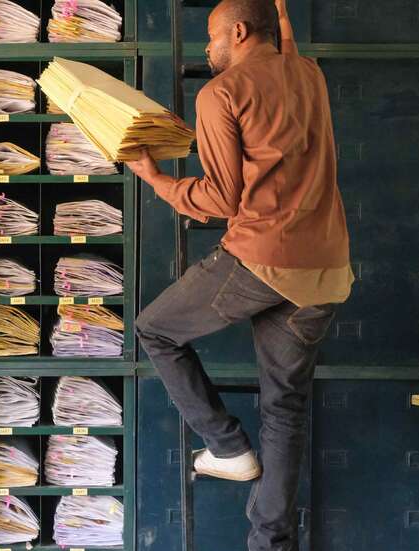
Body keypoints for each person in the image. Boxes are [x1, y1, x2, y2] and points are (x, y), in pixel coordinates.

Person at [126, 0, 352, 549]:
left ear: (241, 32)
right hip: (325, 269)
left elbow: (222, 198)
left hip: (261, 258)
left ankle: (226, 446)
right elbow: (286, 43)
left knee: (155, 330)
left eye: (212, 37)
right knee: (285, 408)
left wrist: (155, 179)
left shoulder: (220, 93)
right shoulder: (309, 75)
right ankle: (271, 543)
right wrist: (281, 12)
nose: (207, 49)